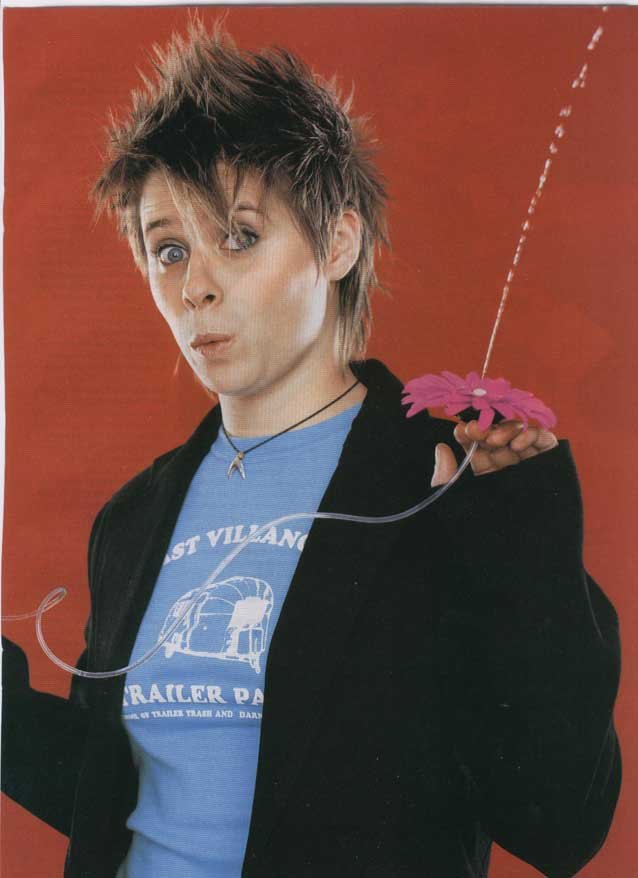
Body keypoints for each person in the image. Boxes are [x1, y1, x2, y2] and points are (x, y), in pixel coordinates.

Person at [2, 20, 621, 878]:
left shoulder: (451, 480)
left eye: (240, 236)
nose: (196, 286)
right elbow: (117, 797)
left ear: (337, 242)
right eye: (169, 249)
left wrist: (522, 540)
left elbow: (561, 824)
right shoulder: (133, 518)